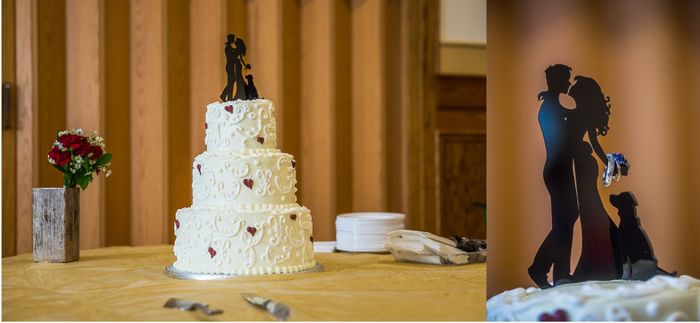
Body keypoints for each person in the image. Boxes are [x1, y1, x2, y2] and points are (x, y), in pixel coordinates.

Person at [529, 64, 579, 289]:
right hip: (558, 169)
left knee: (565, 220)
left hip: (562, 169)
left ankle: (561, 272)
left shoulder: (556, 107)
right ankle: (541, 268)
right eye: (566, 79)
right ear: (556, 81)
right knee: (564, 221)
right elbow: (560, 143)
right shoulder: (549, 109)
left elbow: (571, 119)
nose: (569, 83)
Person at [567, 76, 621, 282]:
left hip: (584, 166)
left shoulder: (577, 114)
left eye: (575, 87)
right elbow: (595, 145)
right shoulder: (578, 113)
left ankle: (599, 258)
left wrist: (609, 164)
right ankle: (611, 248)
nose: (571, 88)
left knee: (590, 209)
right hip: (583, 164)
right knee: (590, 209)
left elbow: (594, 143)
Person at [220, 34, 237, 102]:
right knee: (231, 81)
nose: (233, 40)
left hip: (231, 66)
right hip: (230, 66)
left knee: (232, 81)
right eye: (233, 38)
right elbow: (232, 56)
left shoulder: (230, 47)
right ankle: (225, 95)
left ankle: (228, 96)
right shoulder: (228, 48)